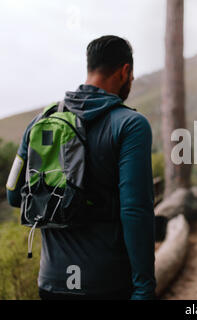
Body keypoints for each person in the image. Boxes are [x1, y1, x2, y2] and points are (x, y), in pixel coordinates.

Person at [6, 35, 156, 300]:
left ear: (90, 68)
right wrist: (144, 287)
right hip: (106, 283)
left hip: (52, 282)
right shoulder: (130, 125)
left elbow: (13, 194)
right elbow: (135, 211)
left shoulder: (41, 121)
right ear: (125, 72)